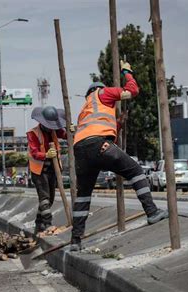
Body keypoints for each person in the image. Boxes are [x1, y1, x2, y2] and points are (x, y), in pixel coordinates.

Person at [70, 60, 169, 251]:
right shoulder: (104, 93)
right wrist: (127, 72)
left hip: (81, 150)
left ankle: (76, 241)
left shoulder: (84, 108)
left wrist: (119, 124)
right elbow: (132, 90)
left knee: (83, 195)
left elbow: (99, 129)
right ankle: (152, 211)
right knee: (136, 171)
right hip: (99, 144)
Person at [27, 106, 68, 235]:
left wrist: (72, 130)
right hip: (39, 171)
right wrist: (45, 155)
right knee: (44, 198)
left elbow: (66, 135)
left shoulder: (55, 130)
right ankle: (48, 224)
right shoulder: (33, 133)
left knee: (49, 200)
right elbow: (34, 152)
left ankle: (39, 225)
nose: (52, 128)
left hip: (52, 170)